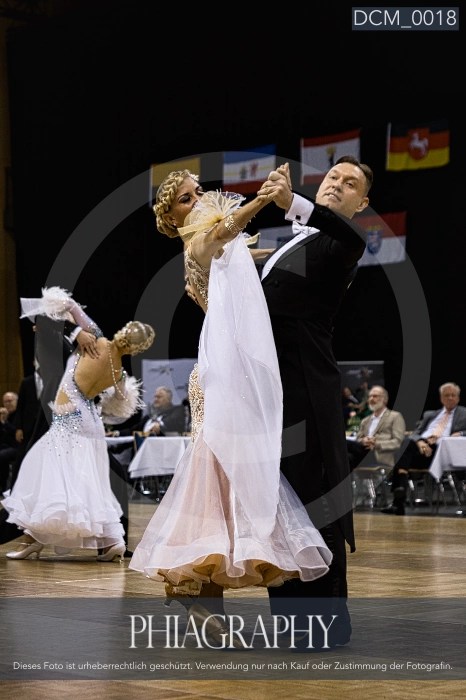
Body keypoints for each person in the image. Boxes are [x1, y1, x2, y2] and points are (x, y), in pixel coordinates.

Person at [129, 169, 333, 648]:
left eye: (197, 191)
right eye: (186, 198)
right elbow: (224, 231)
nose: (198, 199)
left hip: (234, 372)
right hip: (219, 376)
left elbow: (253, 253)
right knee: (215, 469)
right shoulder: (197, 244)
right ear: (173, 217)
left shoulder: (220, 247)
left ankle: (202, 596)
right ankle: (196, 590)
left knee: (227, 474)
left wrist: (295, 243)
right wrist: (261, 199)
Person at [258, 156, 373, 647]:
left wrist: (294, 202)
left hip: (306, 392)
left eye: (350, 184)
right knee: (283, 503)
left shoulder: (337, 242)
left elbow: (351, 240)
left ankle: (323, 623)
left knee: (310, 501)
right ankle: (292, 622)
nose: (337, 185)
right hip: (277, 394)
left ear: (361, 203)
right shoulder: (295, 243)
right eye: (332, 177)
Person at [2, 287, 155, 561]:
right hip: (91, 423)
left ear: (124, 330)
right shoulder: (119, 373)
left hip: (69, 418)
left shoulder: (95, 338)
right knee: (90, 481)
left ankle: (34, 538)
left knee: (48, 473)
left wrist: (74, 332)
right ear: (137, 348)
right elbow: (118, 407)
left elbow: (67, 304)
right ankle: (112, 540)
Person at [382, 382, 466, 515]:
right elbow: (415, 433)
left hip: (441, 450)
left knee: (402, 454)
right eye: (446, 395)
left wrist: (460, 433)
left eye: (453, 395)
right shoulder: (430, 415)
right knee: (405, 443)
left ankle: (398, 498)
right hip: (420, 449)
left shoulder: (464, 413)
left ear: (458, 398)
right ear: (441, 398)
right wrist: (420, 441)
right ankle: (400, 493)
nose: (450, 398)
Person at [346, 386, 406, 471]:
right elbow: (358, 439)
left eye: (375, 396)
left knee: (345, 444)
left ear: (384, 399)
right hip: (362, 452)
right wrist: (363, 440)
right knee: (347, 458)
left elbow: (398, 442)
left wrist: (376, 444)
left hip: (379, 454)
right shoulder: (365, 420)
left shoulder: (395, 416)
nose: (371, 399)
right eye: (370, 396)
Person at [0, 391, 19, 494]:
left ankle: (4, 487)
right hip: (5, 445)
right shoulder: (3, 415)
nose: (7, 404)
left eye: (10, 401)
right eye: (5, 402)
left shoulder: (20, 415)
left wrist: (5, 422)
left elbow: (16, 434)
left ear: (17, 401)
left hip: (17, 447)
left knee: (2, 456)